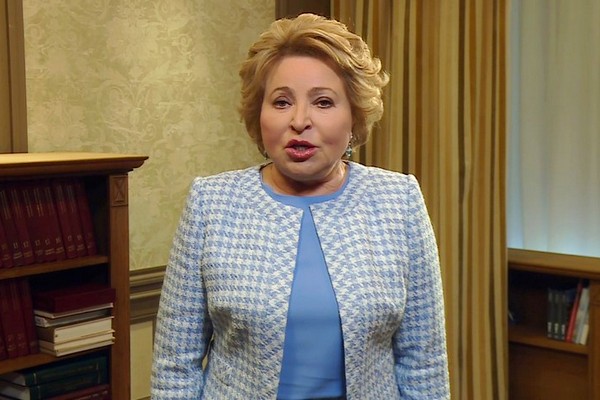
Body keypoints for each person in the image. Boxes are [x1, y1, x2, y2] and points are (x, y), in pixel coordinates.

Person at [151, 13, 450, 400]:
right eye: (281, 102)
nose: (299, 121)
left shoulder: (398, 200)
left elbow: (423, 362)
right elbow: (175, 363)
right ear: (259, 114)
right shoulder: (211, 203)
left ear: (354, 117)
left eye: (323, 102)